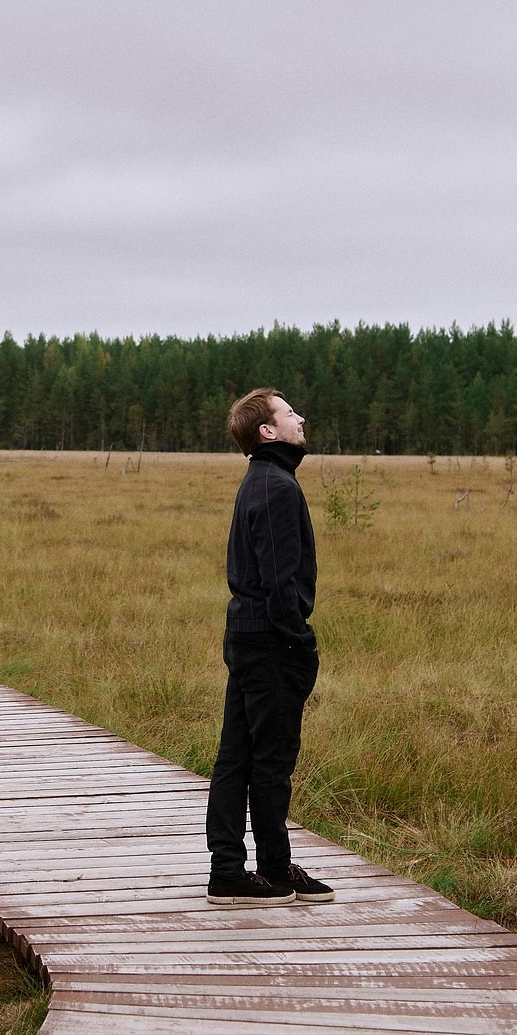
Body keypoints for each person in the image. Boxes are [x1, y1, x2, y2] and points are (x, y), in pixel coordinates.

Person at [205, 388, 335, 906]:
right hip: (271, 641)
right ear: (267, 431)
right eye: (288, 413)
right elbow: (281, 581)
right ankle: (267, 871)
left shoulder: (260, 480)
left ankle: (235, 871)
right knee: (270, 760)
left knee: (237, 755)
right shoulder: (277, 487)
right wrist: (300, 642)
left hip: (248, 634)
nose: (299, 417)